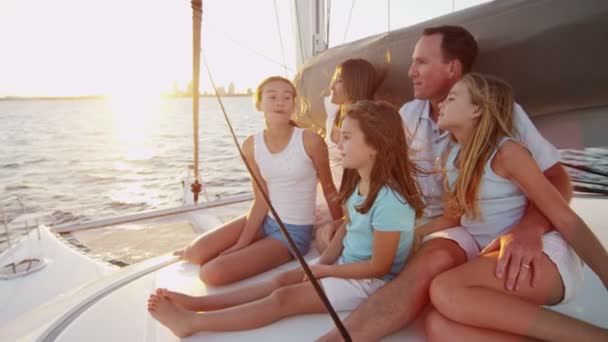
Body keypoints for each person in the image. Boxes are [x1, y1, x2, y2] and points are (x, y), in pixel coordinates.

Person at [318, 25, 573, 341]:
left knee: (442, 293)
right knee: (435, 301)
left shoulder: (502, 115)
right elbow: (378, 172)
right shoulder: (409, 115)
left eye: (421, 62)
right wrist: (350, 220)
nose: (411, 71)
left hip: (498, 233)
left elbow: (557, 178)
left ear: (452, 68)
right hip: (449, 228)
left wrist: (528, 230)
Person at [147, 100, 426, 338]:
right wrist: (324, 261)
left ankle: (192, 323)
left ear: (374, 146)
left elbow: (380, 267)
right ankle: (199, 304)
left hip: (370, 282)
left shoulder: (391, 200)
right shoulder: (361, 183)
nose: (338, 141)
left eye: (348, 136)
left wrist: (327, 271)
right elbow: (348, 228)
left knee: (283, 298)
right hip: (345, 265)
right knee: (281, 280)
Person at [423, 73, 608, 340]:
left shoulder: (506, 153)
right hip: (502, 259)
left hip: (545, 255)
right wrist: (406, 236)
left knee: (445, 290)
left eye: (452, 98)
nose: (441, 103)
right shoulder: (452, 159)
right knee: (438, 326)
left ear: (476, 109)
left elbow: (566, 219)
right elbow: (452, 220)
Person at [173, 76, 342, 286]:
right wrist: (242, 242)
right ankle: (216, 249)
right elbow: (261, 198)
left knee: (210, 274)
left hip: (294, 233)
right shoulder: (251, 145)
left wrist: (340, 228)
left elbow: (329, 189)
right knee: (195, 253)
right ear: (259, 104)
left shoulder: (311, 141)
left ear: (294, 105)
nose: (280, 102)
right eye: (272, 97)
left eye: (287, 97)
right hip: (266, 220)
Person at [317, 58, 379, 252]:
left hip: (346, 197)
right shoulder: (334, 113)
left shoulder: (369, 123)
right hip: (326, 191)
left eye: (339, 80)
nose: (331, 86)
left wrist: (342, 215)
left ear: (356, 83)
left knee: (323, 239)